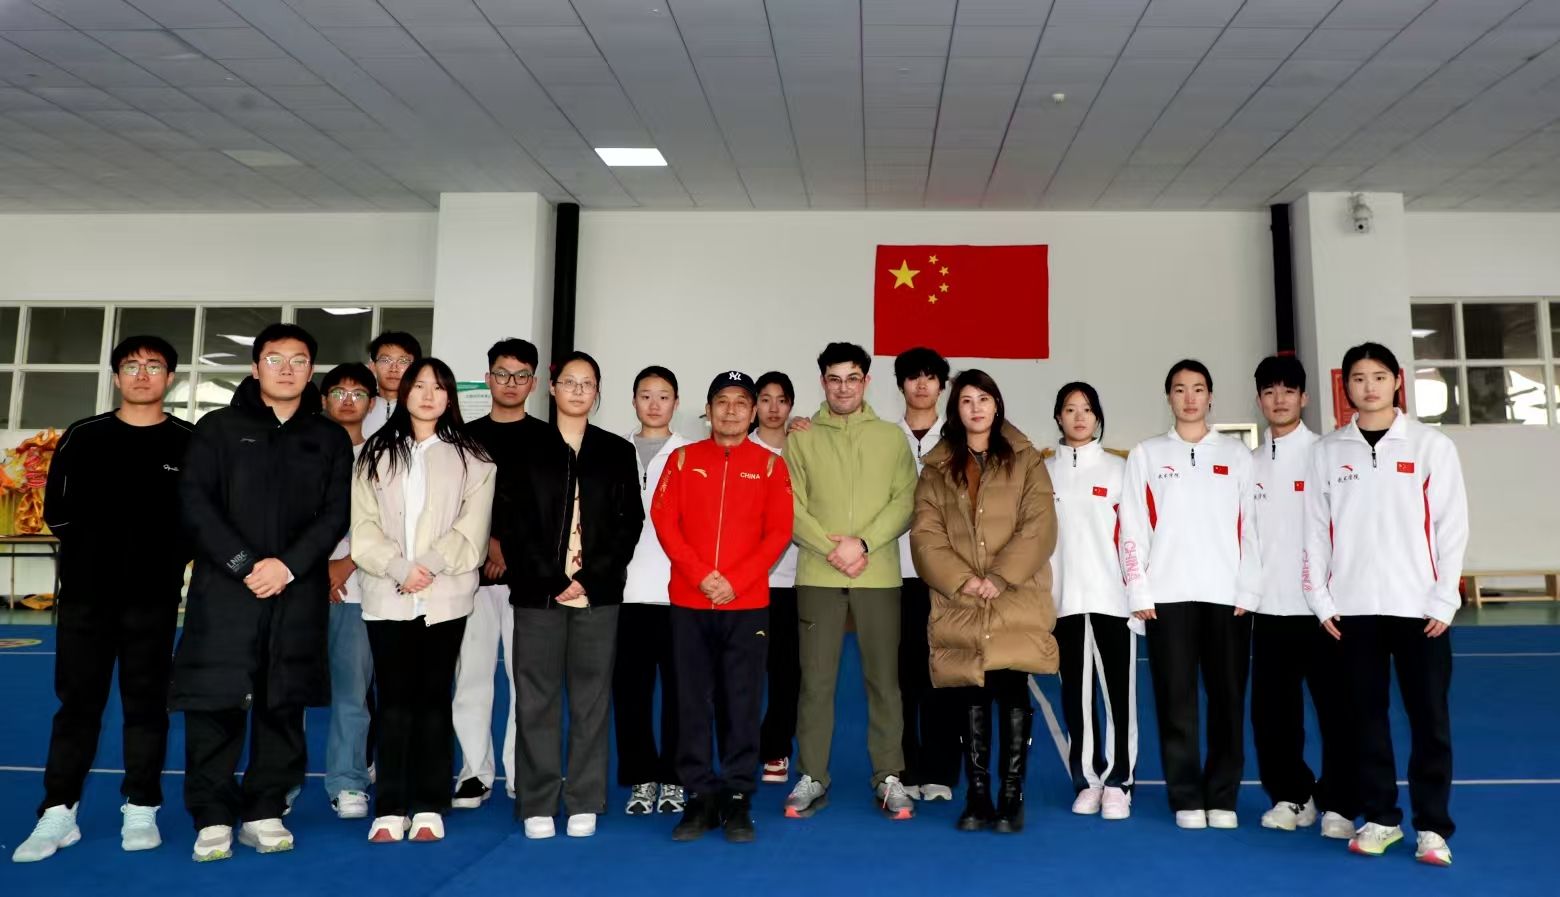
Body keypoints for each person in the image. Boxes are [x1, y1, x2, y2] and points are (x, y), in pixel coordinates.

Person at [172, 323, 353, 861]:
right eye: (275, 359)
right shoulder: (217, 429)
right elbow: (195, 504)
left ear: (310, 370)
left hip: (294, 592)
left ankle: (264, 809)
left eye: (298, 360)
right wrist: (246, 565)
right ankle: (212, 815)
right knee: (216, 702)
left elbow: (336, 513)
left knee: (283, 702)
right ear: (255, 367)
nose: (286, 369)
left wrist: (289, 567)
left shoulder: (328, 438)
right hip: (227, 591)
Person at [12, 336, 195, 863]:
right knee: (77, 707)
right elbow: (57, 511)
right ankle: (58, 811)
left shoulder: (187, 441)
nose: (142, 374)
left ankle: (142, 804)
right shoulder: (84, 435)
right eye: (131, 366)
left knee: (146, 706)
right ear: (116, 377)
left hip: (153, 602)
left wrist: (164, 563)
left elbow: (197, 516)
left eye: (154, 366)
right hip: (86, 601)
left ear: (170, 378)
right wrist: (95, 560)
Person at [1302, 342, 1466, 866]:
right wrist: (1321, 598)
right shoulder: (1328, 452)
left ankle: (1432, 828)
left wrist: (1444, 598)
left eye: (1378, 376)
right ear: (1345, 386)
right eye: (1358, 378)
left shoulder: (1430, 446)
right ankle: (1380, 818)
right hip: (1353, 611)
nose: (1368, 387)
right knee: (1364, 719)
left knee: (1429, 720)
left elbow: (1452, 526)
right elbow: (1315, 531)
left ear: (1397, 381)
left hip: (1420, 610)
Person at [497, 350, 643, 840]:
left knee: (591, 700)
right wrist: (552, 578)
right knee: (535, 699)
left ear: (597, 393)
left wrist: (592, 577)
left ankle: (584, 797)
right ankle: (537, 800)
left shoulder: (615, 450)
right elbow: (512, 524)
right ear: (552, 388)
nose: (579, 390)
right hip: (538, 595)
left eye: (588, 384)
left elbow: (628, 523)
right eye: (570, 382)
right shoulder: (525, 447)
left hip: (597, 595)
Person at [351, 358, 495, 843]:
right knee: (393, 701)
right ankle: (390, 806)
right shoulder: (375, 452)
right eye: (419, 386)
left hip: (445, 595)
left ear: (450, 396)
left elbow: (472, 527)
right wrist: (398, 568)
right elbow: (363, 526)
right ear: (403, 393)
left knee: (433, 699)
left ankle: (430, 804)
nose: (428, 395)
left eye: (438, 387)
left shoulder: (472, 457)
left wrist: (428, 565)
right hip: (387, 594)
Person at [911, 369, 1057, 834]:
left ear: (997, 405)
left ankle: (1011, 797)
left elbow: (1039, 526)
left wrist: (999, 576)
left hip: (1013, 593)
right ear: (956, 410)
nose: (976, 408)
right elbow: (926, 535)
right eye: (966, 400)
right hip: (962, 599)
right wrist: (963, 581)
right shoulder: (937, 467)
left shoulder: (1026, 459)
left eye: (984, 399)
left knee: (1012, 688)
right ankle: (977, 795)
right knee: (970, 689)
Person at [651, 371, 795, 843]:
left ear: (752, 413)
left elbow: (778, 531)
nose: (731, 410)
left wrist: (736, 581)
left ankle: (736, 796)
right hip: (690, 603)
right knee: (691, 701)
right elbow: (664, 520)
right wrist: (700, 576)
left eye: (740, 403)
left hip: (746, 604)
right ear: (708, 410)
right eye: (722, 402)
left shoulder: (771, 466)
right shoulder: (683, 459)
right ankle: (698, 795)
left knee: (741, 702)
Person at [1118, 359, 1261, 831]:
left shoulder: (1237, 455)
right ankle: (1185, 796)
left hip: (1227, 598)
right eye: (1180, 389)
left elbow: (1252, 527)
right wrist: (1139, 588)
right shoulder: (1147, 454)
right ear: (1169, 397)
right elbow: (1132, 528)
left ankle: (1222, 796)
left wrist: (1249, 587)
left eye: (1198, 388)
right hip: (1168, 598)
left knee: (1227, 701)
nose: (1190, 398)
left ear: (1210, 396)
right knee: (1175, 701)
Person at [783, 342, 918, 821]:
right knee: (816, 683)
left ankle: (889, 776)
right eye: (835, 379)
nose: (843, 388)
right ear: (823, 382)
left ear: (866, 381)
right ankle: (812, 775)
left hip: (877, 576)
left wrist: (861, 544)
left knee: (884, 682)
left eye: (853, 378)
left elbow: (905, 500)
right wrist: (831, 548)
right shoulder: (801, 438)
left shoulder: (890, 438)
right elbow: (789, 504)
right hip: (818, 577)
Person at [1248, 356, 1356, 839]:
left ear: (1304, 398)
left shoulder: (1326, 455)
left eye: (1288, 391)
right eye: (1270, 392)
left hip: (1324, 612)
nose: (1279, 400)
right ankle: (1293, 795)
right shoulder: (1248, 463)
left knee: (1338, 712)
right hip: (1269, 610)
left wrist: (1334, 595)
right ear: (1259, 400)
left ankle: (1340, 802)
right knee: (1273, 716)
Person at [452, 338, 548, 809]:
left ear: (534, 382)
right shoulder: (462, 438)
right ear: (489, 378)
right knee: (471, 674)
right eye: (503, 374)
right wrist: (487, 544)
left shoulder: (548, 439)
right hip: (471, 577)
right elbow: (452, 505)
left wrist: (511, 551)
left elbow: (551, 512)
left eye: (521, 375)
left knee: (524, 678)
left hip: (528, 578)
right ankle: (474, 770)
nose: (511, 383)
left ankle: (519, 769)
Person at [1045, 382, 1137, 822]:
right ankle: (1087, 780)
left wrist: (1138, 592)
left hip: (1112, 600)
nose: (1079, 417)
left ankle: (1119, 780)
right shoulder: (1043, 473)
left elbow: (1135, 537)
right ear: (1058, 417)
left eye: (1086, 409)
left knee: (1118, 695)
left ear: (1098, 416)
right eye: (1070, 409)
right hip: (1063, 601)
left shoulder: (1120, 470)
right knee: (1075, 697)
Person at [617, 366, 694, 816]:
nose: (654, 404)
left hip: (679, 593)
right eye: (645, 395)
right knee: (631, 693)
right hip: (625, 594)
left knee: (682, 693)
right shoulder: (613, 451)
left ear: (676, 403)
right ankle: (641, 778)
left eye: (663, 396)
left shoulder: (691, 454)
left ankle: (676, 779)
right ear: (633, 401)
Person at [891, 347, 958, 802]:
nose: (921, 384)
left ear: (941, 385)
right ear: (901, 384)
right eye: (912, 376)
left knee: (944, 673)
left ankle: (941, 771)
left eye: (930, 377)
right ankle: (903, 767)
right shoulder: (883, 436)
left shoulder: (957, 437)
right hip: (893, 573)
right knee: (900, 676)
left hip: (945, 577)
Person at [319, 363, 378, 822]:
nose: (347, 400)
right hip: (301, 586)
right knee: (285, 694)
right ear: (323, 400)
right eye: (338, 391)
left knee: (352, 694)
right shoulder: (303, 449)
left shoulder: (383, 455)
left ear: (372, 404)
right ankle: (278, 785)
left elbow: (389, 521)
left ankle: (347, 780)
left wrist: (346, 564)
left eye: (358, 393)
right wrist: (316, 569)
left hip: (360, 590)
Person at [751, 372, 801, 784]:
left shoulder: (803, 446)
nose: (773, 408)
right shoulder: (740, 447)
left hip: (794, 581)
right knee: (744, 672)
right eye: (765, 399)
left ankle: (776, 749)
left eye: (781, 400)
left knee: (787, 673)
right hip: (747, 583)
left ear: (791, 405)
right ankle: (740, 746)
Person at [363, 331, 423, 436]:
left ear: (416, 368)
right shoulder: (360, 407)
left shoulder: (424, 408)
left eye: (403, 361)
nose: (394, 369)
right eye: (385, 360)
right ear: (373, 367)